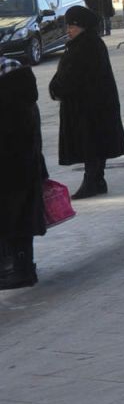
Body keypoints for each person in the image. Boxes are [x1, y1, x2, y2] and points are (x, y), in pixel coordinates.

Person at [49, 6, 124, 200]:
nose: (69, 30)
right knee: (95, 143)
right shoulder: (89, 43)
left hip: (88, 107)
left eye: (73, 26)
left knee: (90, 143)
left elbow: (72, 77)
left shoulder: (84, 47)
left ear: (83, 26)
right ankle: (96, 180)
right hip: (93, 105)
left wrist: (56, 88)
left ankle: (92, 181)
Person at [0, 57, 49, 289]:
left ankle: (20, 270)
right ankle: (22, 267)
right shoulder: (23, 93)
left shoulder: (9, 99)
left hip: (11, 169)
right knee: (21, 219)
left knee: (14, 219)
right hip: (25, 167)